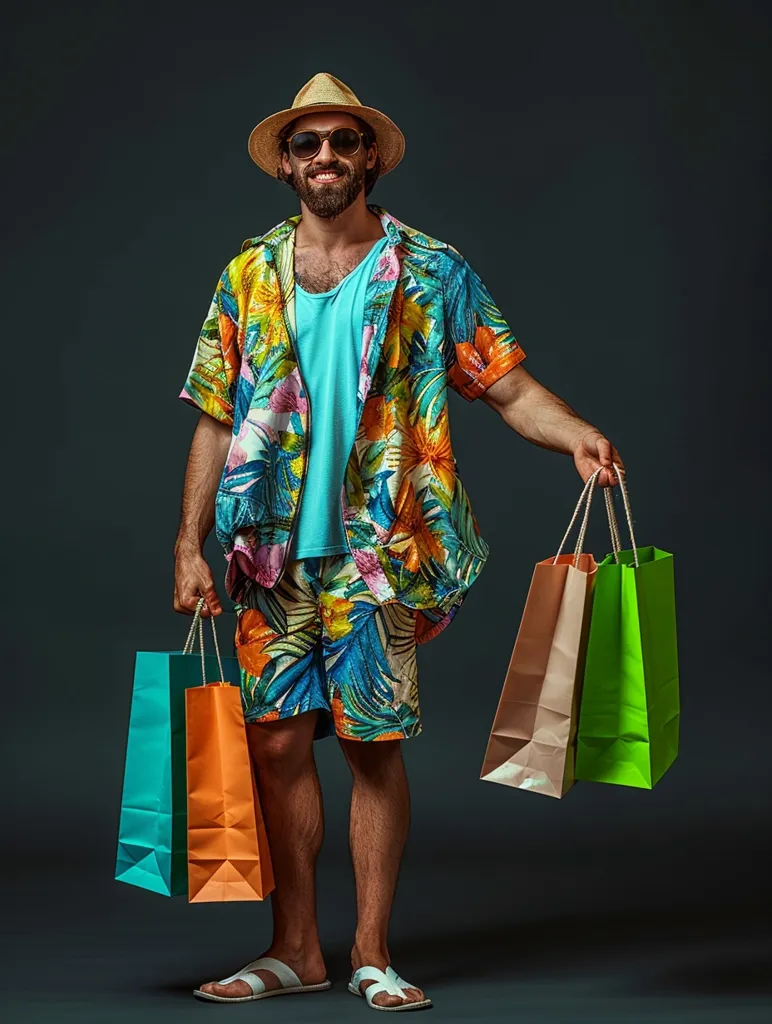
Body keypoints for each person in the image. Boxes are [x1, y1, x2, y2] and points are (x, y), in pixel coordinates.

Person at [173, 72, 623, 1011]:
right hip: (266, 553)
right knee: (277, 744)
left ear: (369, 156)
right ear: (288, 165)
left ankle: (372, 952)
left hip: (383, 552)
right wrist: (188, 543)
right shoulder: (247, 274)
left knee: (374, 743)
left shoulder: (431, 270)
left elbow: (506, 385)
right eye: (308, 145)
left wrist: (576, 433)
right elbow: (214, 418)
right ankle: (295, 949)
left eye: (343, 142)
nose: (326, 158)